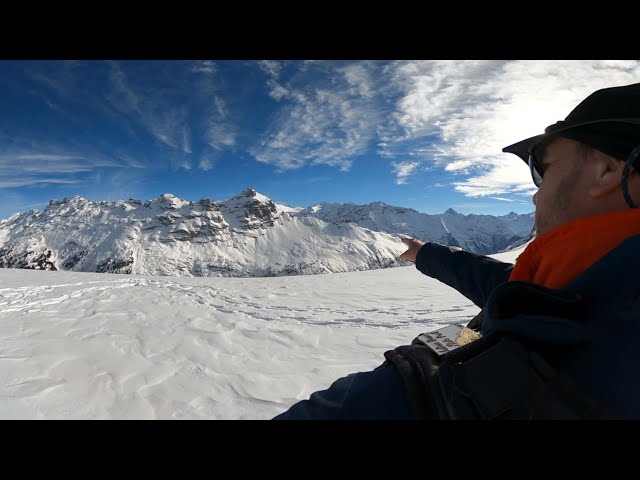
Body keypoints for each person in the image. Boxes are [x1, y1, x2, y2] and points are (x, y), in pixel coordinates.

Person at [272, 82, 640, 420]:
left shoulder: (561, 367)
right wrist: (425, 254)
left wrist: (415, 381)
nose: (535, 193)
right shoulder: (592, 292)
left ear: (607, 171)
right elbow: (509, 287)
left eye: (541, 169)